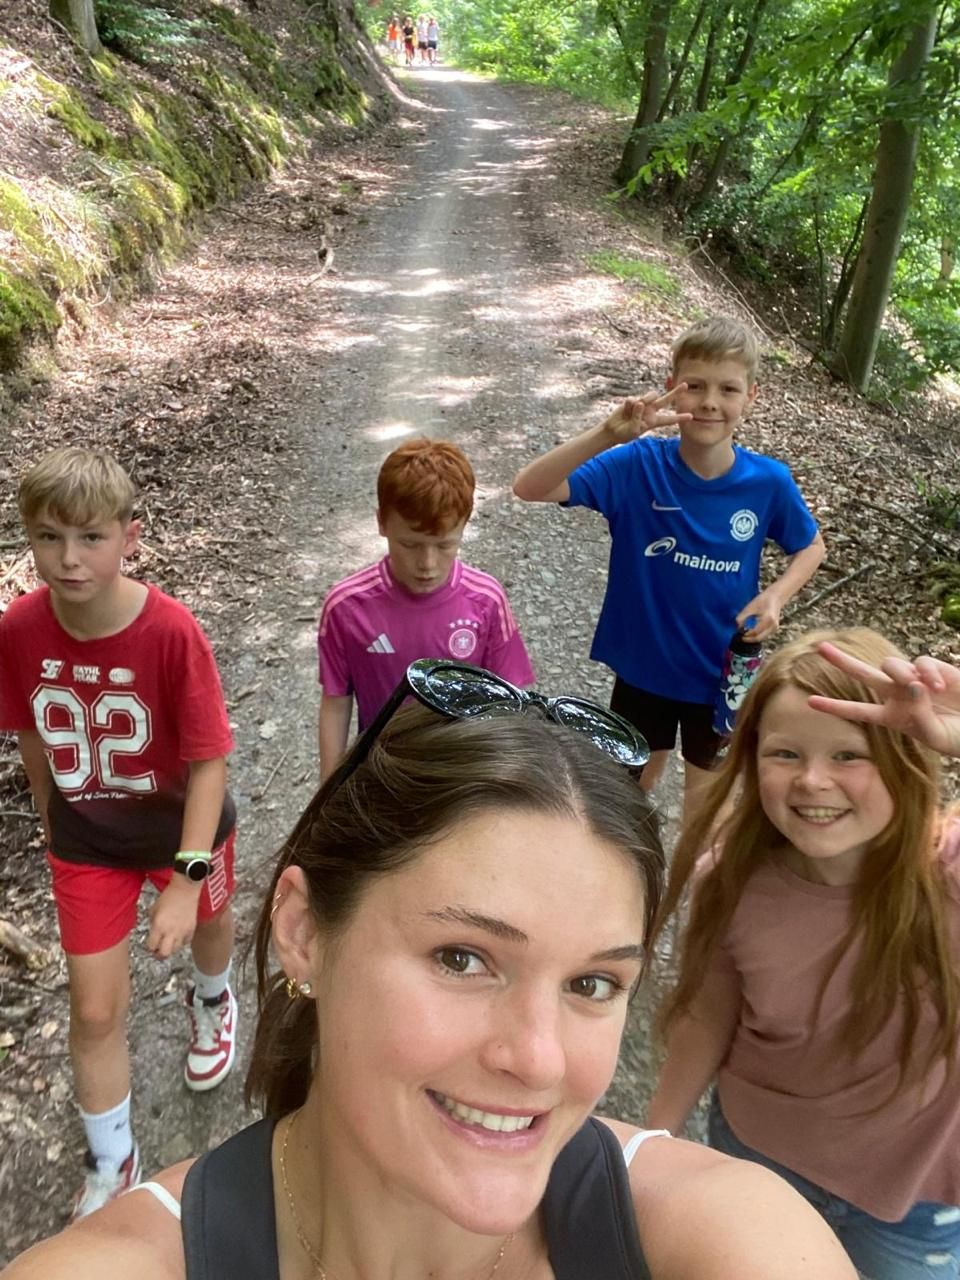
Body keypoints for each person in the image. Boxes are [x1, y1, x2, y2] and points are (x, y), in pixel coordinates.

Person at [2, 660, 857, 1279]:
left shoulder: (725, 1239)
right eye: (464, 958)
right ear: (303, 932)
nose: (539, 1059)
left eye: (592, 984)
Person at [647, 628, 960, 1280]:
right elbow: (708, 1017)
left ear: (909, 755)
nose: (813, 781)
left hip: (913, 1203)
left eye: (849, 755)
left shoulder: (949, 871)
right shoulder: (728, 878)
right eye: (785, 753)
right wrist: (654, 1142)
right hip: (762, 1160)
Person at [0, 449, 238, 1219]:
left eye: (90, 538)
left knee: (206, 928)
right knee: (94, 1009)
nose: (68, 559)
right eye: (47, 537)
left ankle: (214, 999)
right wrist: (50, 819)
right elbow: (31, 735)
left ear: (129, 537)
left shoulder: (171, 633)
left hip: (183, 832)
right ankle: (112, 1157)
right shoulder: (19, 629)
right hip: (86, 841)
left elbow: (209, 765)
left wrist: (185, 878)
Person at [513, 315, 825, 825]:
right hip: (643, 670)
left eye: (728, 389)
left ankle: (695, 896)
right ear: (671, 391)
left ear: (751, 398)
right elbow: (530, 487)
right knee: (625, 793)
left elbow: (811, 546)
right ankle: (631, 886)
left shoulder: (768, 482)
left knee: (705, 805)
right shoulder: (636, 465)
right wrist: (605, 435)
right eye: (695, 386)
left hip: (721, 675)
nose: (709, 402)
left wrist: (776, 597)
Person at [316, 436, 534, 781]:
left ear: (464, 527)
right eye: (410, 544)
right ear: (381, 523)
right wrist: (328, 789)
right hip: (380, 773)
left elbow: (513, 704)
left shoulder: (486, 602)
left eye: (445, 545)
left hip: (461, 777)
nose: (427, 564)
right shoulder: (347, 607)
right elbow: (336, 701)